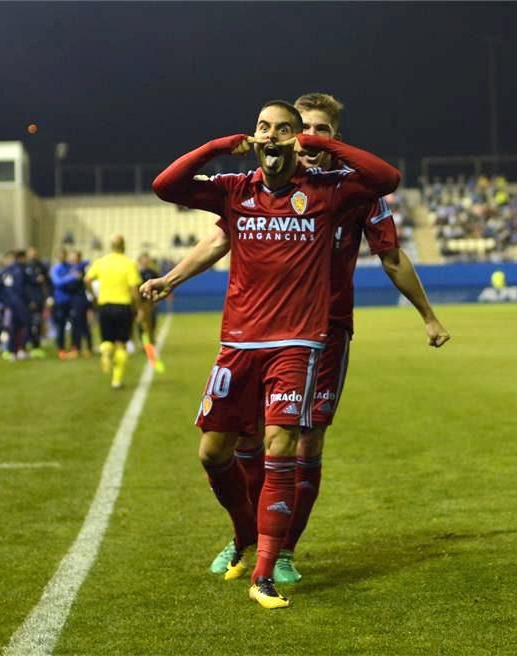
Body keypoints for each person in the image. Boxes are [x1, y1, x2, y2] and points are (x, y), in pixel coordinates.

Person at [144, 99, 399, 609]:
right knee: (213, 453)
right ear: (255, 135)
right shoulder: (236, 190)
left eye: (286, 130)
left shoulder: (326, 192)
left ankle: (266, 570)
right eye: (267, 127)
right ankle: (244, 535)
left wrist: (321, 144)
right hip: (238, 344)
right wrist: (220, 145)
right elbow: (165, 186)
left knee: (284, 446)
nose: (276, 136)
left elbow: (386, 178)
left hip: (298, 344)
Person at [210, 93, 450, 585]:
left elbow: (392, 257)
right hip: (261, 328)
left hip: (327, 329)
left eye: (321, 130)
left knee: (304, 440)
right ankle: (248, 536)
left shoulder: (356, 189)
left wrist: (427, 315)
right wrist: (171, 279)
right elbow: (222, 237)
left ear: (334, 136)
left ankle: (283, 552)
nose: (311, 139)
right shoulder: (271, 182)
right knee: (248, 437)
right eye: (305, 129)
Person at [84, 235, 141, 389]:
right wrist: (138, 307)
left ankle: (105, 353)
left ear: (111, 246)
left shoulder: (101, 262)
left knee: (107, 340)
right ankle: (116, 380)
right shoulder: (129, 264)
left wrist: (94, 296)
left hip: (105, 306)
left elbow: (87, 280)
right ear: (124, 246)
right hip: (123, 306)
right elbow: (134, 288)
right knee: (121, 344)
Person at [0, 251, 30, 361]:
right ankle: (10, 350)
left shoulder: (20, 271)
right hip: (9, 305)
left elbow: (25, 287)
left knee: (22, 326)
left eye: (12, 259)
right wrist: (2, 301)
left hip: (20, 303)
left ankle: (20, 349)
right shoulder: (2, 273)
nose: (11, 261)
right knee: (10, 327)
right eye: (8, 259)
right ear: (4, 260)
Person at [50, 248, 83, 359]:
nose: (62, 256)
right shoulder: (55, 269)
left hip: (72, 300)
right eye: (60, 255)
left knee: (76, 324)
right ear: (57, 256)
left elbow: (82, 268)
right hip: (60, 301)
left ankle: (74, 348)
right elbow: (57, 282)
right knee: (61, 326)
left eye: (64, 254)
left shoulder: (70, 266)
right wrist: (71, 277)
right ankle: (62, 349)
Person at [137, 254, 165, 372]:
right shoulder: (136, 273)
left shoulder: (152, 272)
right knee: (142, 326)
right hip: (140, 303)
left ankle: (150, 343)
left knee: (151, 324)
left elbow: (161, 283)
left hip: (150, 302)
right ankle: (146, 345)